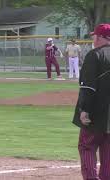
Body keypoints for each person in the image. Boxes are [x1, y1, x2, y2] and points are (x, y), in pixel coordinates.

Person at [72, 23, 110, 180]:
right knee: (108, 151)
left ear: (101, 37)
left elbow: (88, 87)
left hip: (96, 113)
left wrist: (84, 110)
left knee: (87, 146)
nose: (93, 39)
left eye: (94, 36)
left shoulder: (94, 55)